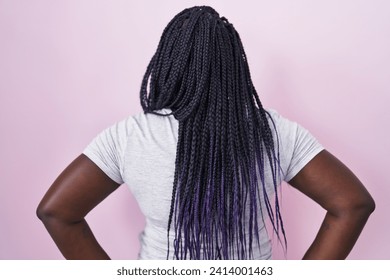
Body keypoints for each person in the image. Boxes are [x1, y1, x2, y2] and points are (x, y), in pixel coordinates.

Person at [36, 6, 375, 260]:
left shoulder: (130, 136)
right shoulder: (273, 131)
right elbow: (352, 203)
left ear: (167, 62)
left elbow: (57, 211)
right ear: (235, 66)